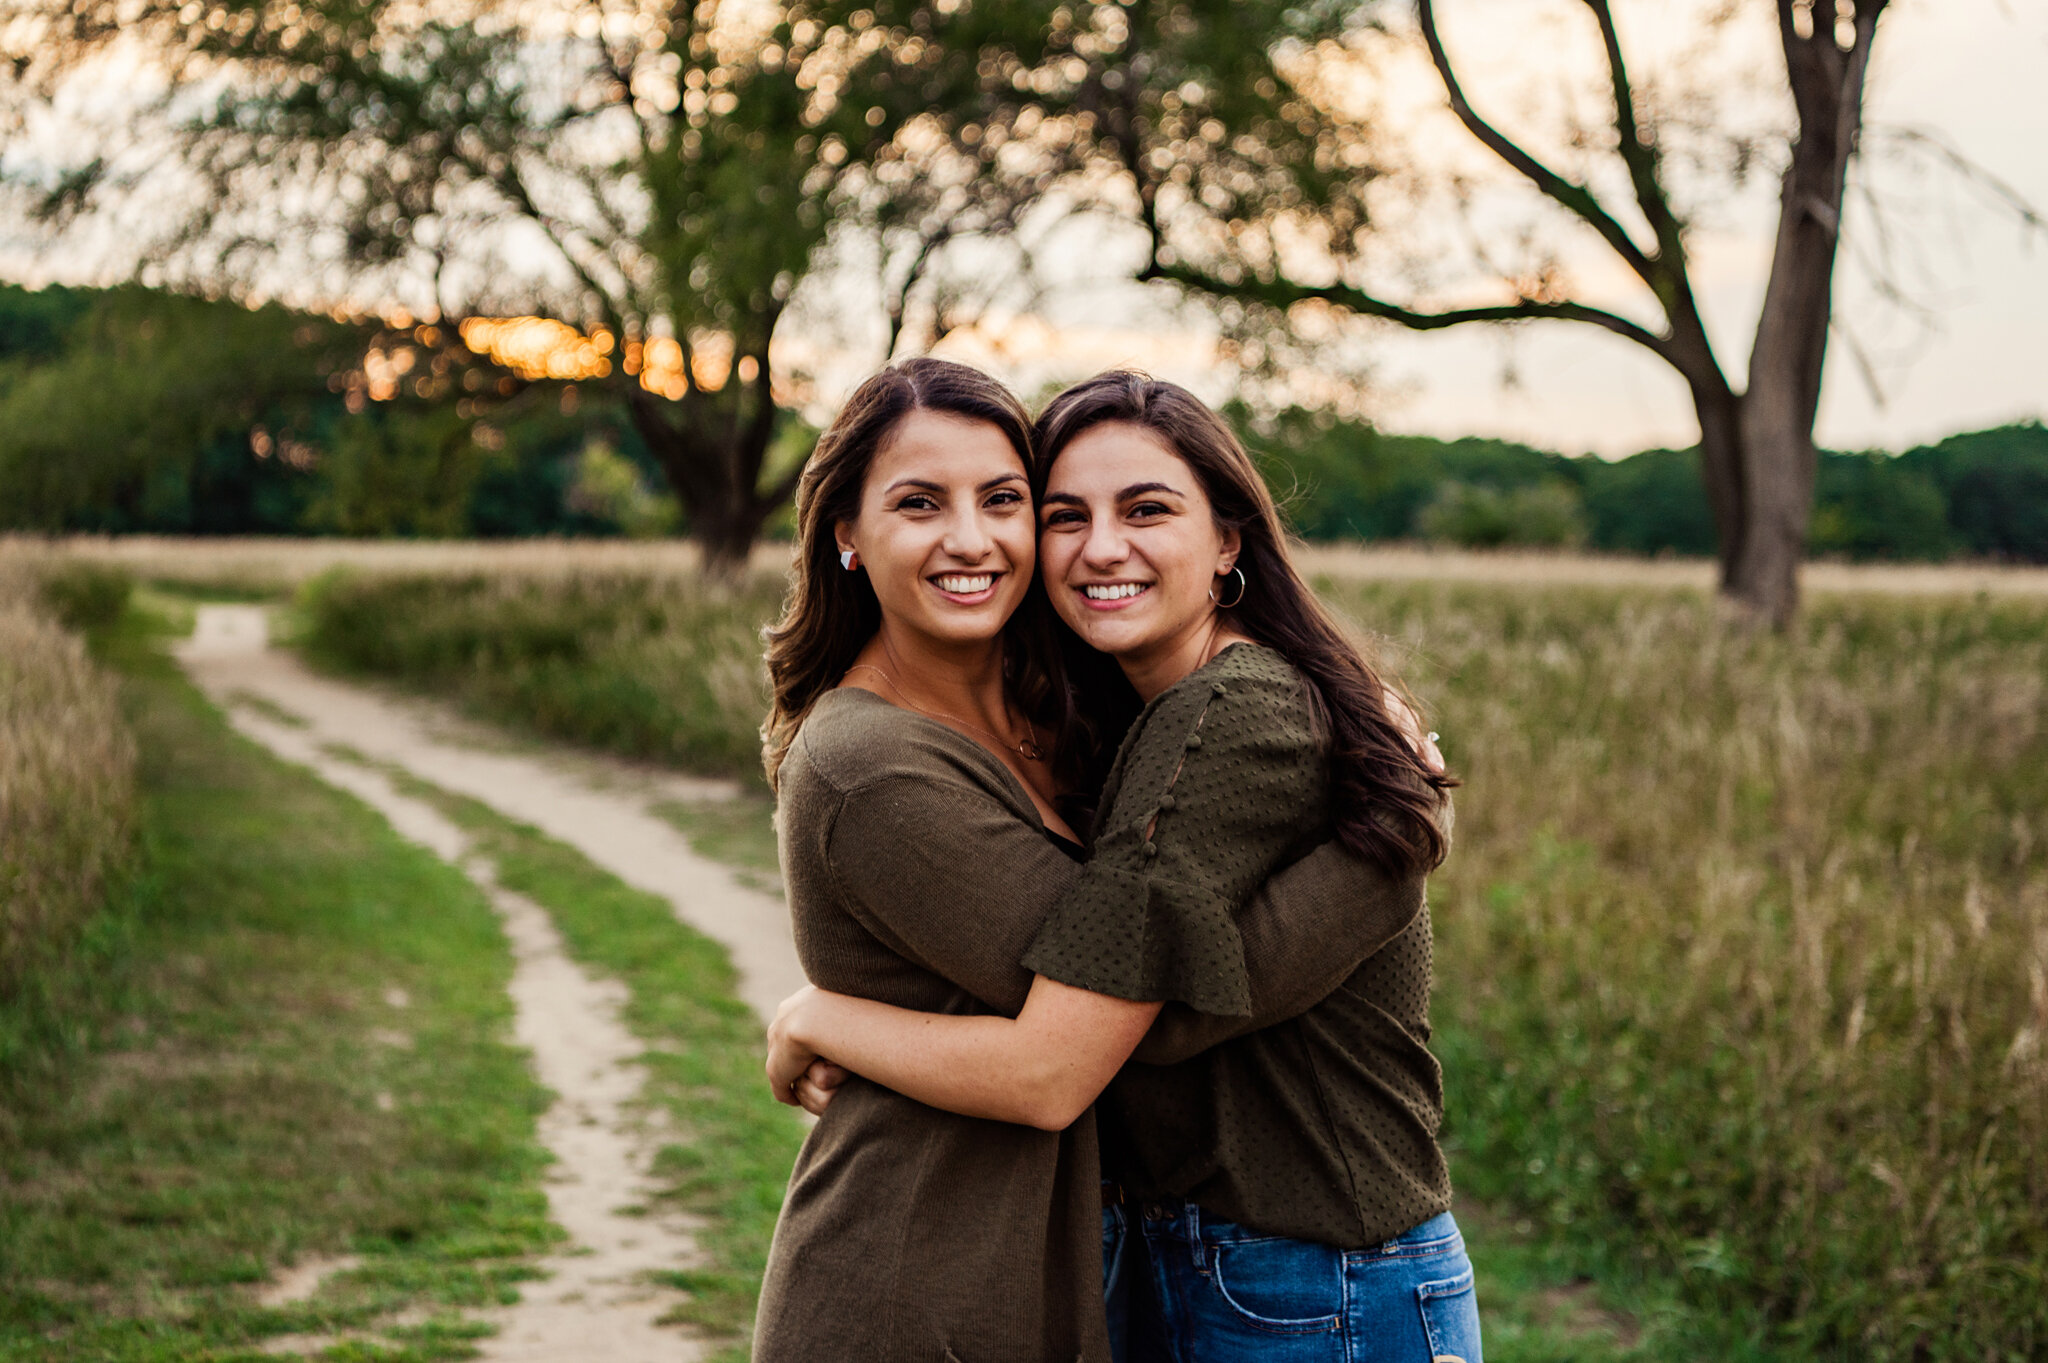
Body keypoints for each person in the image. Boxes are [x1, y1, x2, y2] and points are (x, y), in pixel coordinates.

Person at [766, 370, 1479, 1363]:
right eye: (919, 502)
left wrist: (1397, 836)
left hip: (1317, 1273)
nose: (973, 536)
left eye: (1003, 500)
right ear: (845, 530)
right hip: (968, 1275)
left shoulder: (1203, 713)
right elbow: (1116, 1018)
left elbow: (1098, 1030)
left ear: (1226, 538)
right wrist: (1392, 842)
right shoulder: (894, 758)